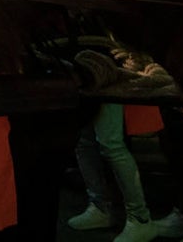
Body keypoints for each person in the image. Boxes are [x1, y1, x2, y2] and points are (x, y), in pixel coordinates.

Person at [66, 102, 159, 242]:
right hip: (90, 83)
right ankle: (102, 207)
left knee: (110, 143)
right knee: (85, 141)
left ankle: (140, 218)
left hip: (102, 83)